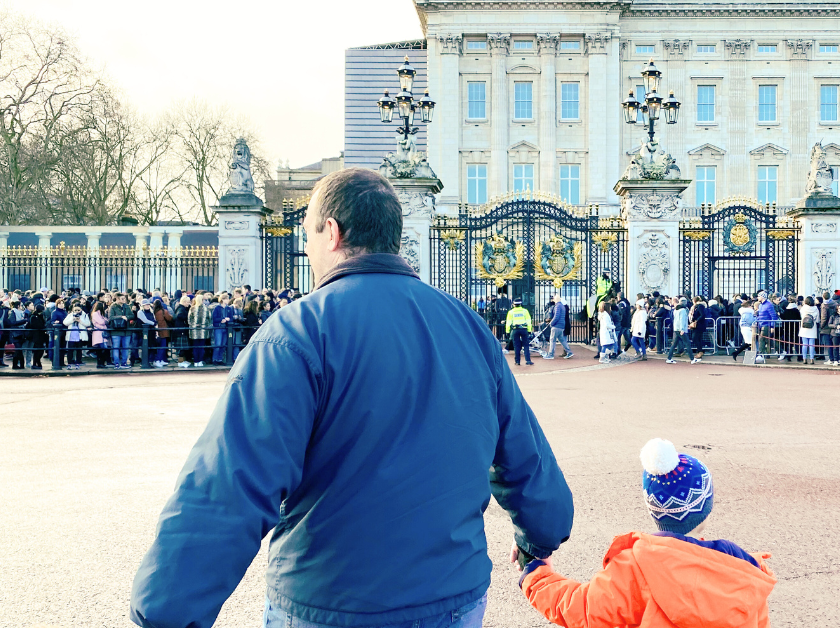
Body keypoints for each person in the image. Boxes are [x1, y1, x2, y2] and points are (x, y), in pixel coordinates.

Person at [131, 168, 573, 628]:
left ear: (333, 233)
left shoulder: (296, 332)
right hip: (453, 595)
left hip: (332, 602)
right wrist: (541, 534)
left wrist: (166, 611)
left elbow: (229, 485)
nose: (306, 249)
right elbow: (524, 453)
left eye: (309, 235)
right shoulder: (468, 327)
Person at [520, 438, 775, 628]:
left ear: (653, 510)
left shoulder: (634, 568)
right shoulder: (744, 571)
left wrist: (537, 575)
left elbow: (583, 609)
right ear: (706, 508)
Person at [541, 294, 574, 360]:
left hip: (556, 325)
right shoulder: (562, 306)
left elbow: (556, 316)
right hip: (561, 326)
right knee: (562, 340)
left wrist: (551, 323)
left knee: (552, 340)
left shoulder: (557, 306)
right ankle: (569, 352)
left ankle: (551, 354)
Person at [666, 298, 695, 365]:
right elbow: (682, 320)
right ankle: (692, 359)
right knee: (687, 343)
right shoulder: (683, 310)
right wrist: (682, 329)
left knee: (674, 344)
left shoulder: (676, 310)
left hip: (676, 328)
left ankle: (669, 358)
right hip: (681, 329)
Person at [108, 293, 133, 369]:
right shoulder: (113, 306)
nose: (124, 300)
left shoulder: (127, 306)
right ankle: (116, 364)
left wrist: (127, 317)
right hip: (116, 330)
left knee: (125, 348)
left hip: (126, 330)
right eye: (122, 299)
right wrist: (121, 317)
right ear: (117, 299)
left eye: (124, 298)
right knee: (116, 347)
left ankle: (124, 363)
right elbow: (110, 318)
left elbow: (132, 315)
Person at [507, 297, 535, 366]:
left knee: (516, 346)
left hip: (515, 330)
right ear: (520, 304)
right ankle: (528, 360)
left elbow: (508, 322)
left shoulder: (511, 312)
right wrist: (529, 330)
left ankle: (517, 361)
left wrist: (507, 331)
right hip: (524, 329)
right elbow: (529, 321)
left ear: (514, 304)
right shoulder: (525, 311)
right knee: (526, 345)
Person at [63, 305, 90, 370]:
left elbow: (88, 323)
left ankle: (78, 363)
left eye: (78, 310)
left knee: (79, 350)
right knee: (70, 350)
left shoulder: (84, 315)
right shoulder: (70, 315)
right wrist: (72, 320)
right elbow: (65, 322)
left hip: (80, 335)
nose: (77, 312)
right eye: (75, 310)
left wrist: (80, 321)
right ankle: (69, 364)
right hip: (71, 334)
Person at [799, 296, 819, 365]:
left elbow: (801, 316)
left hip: (804, 327)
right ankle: (812, 359)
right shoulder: (815, 309)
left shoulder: (803, 308)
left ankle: (804, 359)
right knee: (811, 344)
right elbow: (817, 319)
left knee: (804, 344)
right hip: (812, 327)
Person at [90, 301, 110, 369]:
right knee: (100, 350)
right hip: (98, 333)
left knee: (103, 349)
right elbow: (102, 321)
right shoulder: (95, 314)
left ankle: (102, 363)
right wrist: (104, 321)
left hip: (102, 333)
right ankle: (100, 364)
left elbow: (106, 321)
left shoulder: (101, 314)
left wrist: (104, 321)